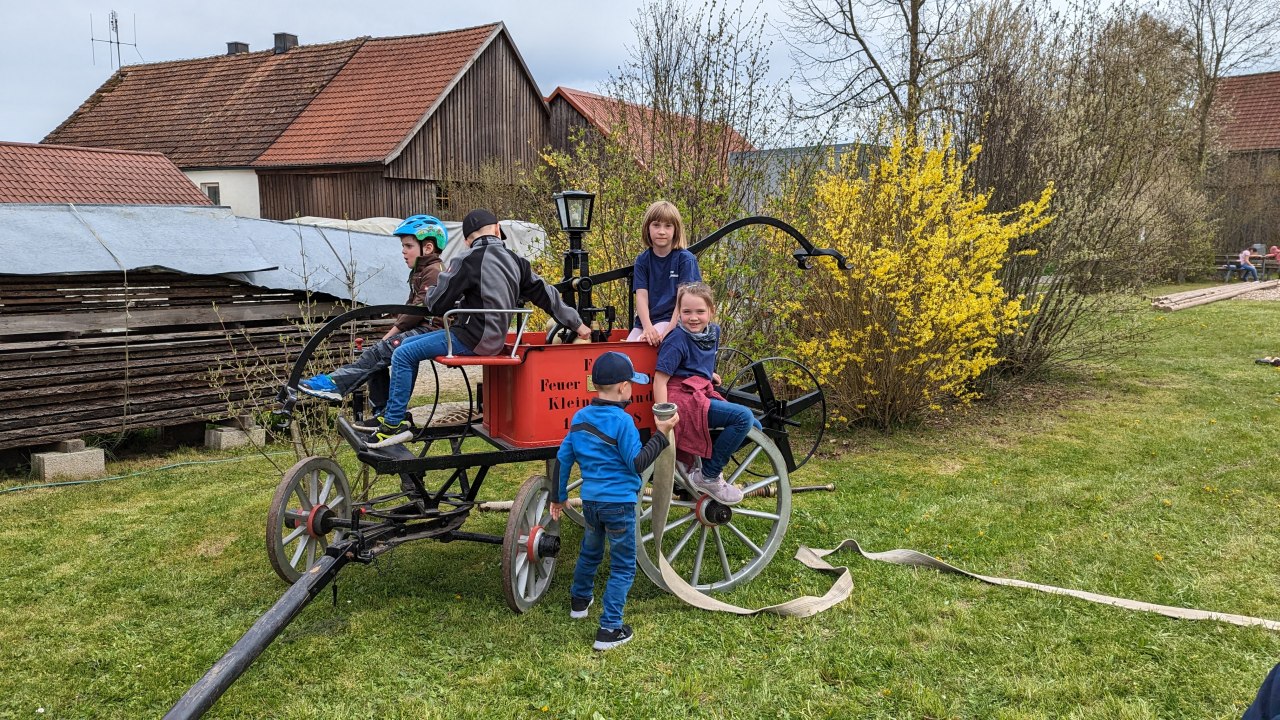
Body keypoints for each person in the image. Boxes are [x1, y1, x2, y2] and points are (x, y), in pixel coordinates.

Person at [370, 209, 591, 447]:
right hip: (496, 339)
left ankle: (392, 423)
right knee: (406, 346)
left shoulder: (466, 259)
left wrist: (431, 290)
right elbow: (548, 296)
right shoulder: (518, 263)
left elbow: (436, 304)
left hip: (471, 338)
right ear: (497, 229)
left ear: (467, 240)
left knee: (402, 353)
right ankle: (394, 414)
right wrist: (577, 324)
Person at [549, 351, 678, 651]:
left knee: (590, 553)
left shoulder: (580, 418)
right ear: (622, 387)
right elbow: (636, 463)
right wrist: (661, 435)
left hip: (591, 503)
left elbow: (563, 457)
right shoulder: (623, 422)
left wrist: (559, 496)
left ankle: (579, 602)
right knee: (622, 567)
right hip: (619, 505)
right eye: (632, 384)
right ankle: (609, 629)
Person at [298, 215, 448, 414]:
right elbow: (409, 308)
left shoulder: (434, 272)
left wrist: (391, 334)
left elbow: (416, 312)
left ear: (428, 248)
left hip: (430, 331)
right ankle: (382, 411)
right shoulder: (421, 272)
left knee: (380, 352)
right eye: (403, 246)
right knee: (378, 356)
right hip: (422, 329)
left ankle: (336, 384)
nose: (403, 251)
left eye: (408, 246)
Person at [652, 282, 760, 505]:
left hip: (700, 389)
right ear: (678, 312)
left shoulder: (713, 333)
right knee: (743, 417)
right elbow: (660, 381)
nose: (693, 318)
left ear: (711, 311)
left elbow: (694, 361)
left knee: (755, 428)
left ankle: (700, 462)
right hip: (680, 397)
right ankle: (708, 476)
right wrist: (664, 419)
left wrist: (708, 373)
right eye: (686, 312)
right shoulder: (676, 339)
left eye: (700, 311)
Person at [626, 200, 702, 346]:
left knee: (644, 345)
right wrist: (647, 327)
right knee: (626, 354)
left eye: (668, 226)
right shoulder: (643, 260)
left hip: (672, 320)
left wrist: (669, 330)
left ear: (675, 230)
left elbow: (684, 300)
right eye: (656, 225)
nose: (661, 231)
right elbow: (641, 296)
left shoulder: (685, 259)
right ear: (647, 228)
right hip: (646, 322)